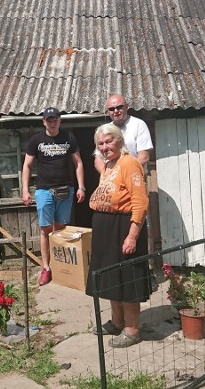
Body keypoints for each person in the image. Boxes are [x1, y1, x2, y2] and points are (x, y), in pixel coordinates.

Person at [86, 123, 150, 348]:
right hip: (106, 228)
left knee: (128, 278)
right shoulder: (109, 166)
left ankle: (132, 329)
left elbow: (141, 202)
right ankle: (116, 321)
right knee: (113, 277)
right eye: (100, 144)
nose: (104, 147)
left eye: (108, 141)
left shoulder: (129, 163)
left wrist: (132, 236)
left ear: (120, 141)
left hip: (124, 227)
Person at [22, 107, 86, 286]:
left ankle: (60, 266)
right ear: (44, 122)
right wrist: (25, 190)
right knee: (45, 230)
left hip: (66, 190)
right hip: (44, 191)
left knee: (60, 228)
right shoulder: (36, 140)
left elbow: (78, 163)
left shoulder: (69, 138)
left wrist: (81, 187)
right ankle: (46, 268)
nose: (52, 123)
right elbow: (27, 166)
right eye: (49, 120)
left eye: (55, 120)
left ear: (60, 121)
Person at [93, 94, 152, 173]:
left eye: (119, 107)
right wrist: (107, 176)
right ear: (107, 111)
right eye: (111, 109)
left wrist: (123, 175)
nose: (116, 111)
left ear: (127, 106)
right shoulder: (105, 130)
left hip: (133, 176)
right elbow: (98, 160)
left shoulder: (139, 125)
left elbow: (144, 157)